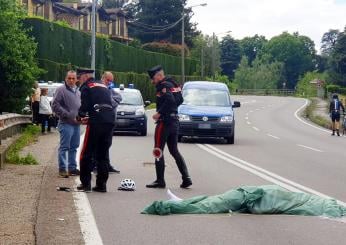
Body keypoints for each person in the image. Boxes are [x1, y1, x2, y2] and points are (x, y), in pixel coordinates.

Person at [146, 65, 192, 189]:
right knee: (174, 151)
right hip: (174, 121)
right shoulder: (174, 84)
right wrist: (172, 110)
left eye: (153, 79)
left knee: (158, 150)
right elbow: (180, 100)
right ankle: (186, 178)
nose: (152, 82)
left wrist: (159, 113)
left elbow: (170, 101)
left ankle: (160, 180)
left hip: (164, 123)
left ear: (158, 76)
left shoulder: (163, 85)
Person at [77, 68, 116, 193]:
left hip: (97, 122)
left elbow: (84, 106)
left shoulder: (86, 86)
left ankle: (86, 184)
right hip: (110, 121)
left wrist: (80, 116)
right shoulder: (103, 85)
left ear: (84, 76)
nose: (79, 80)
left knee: (86, 153)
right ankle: (101, 185)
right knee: (102, 154)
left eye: (79, 77)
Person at [52, 71, 81, 177]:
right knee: (64, 147)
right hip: (66, 123)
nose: (71, 80)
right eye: (69, 78)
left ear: (76, 79)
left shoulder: (78, 91)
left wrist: (81, 116)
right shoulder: (61, 90)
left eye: (73, 78)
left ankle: (72, 168)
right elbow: (55, 105)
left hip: (76, 124)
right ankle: (63, 169)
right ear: (65, 78)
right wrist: (67, 114)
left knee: (74, 147)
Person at [100, 71, 122, 174]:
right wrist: (109, 100)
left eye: (111, 81)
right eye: (108, 80)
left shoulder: (110, 90)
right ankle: (99, 164)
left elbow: (118, 98)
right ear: (102, 78)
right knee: (100, 145)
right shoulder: (98, 89)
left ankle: (106, 164)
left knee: (107, 144)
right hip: (101, 122)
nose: (109, 83)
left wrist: (109, 100)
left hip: (110, 122)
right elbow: (107, 103)